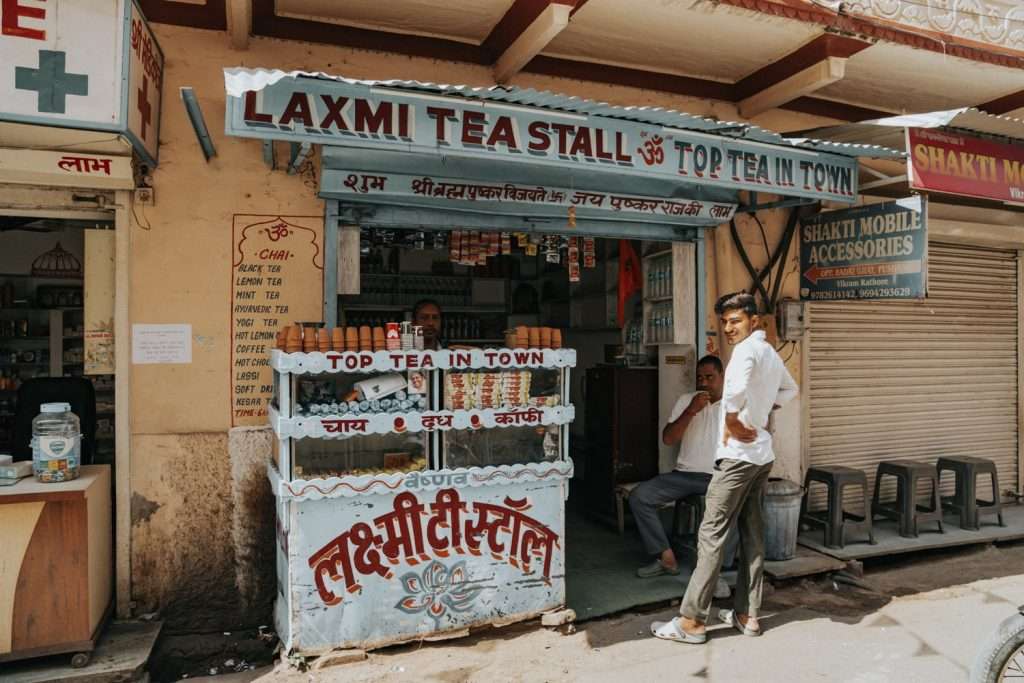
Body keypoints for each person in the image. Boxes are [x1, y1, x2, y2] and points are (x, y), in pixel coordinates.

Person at [652, 292, 798, 644]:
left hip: (737, 458)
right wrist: (761, 413)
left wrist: (734, 419)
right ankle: (748, 614)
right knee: (752, 533)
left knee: (711, 534)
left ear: (754, 321)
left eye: (736, 320)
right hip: (761, 456)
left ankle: (691, 621)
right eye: (726, 322)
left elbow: (734, 389)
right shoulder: (769, 353)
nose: (730, 328)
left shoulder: (746, 352)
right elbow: (791, 390)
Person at [629, 355, 732, 600]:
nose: (704, 383)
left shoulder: (732, 405)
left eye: (710, 377)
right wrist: (691, 411)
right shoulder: (687, 401)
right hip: (683, 475)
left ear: (722, 377)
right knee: (639, 497)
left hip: (716, 477)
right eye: (700, 378)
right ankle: (666, 557)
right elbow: (668, 439)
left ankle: (716, 572)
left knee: (733, 503)